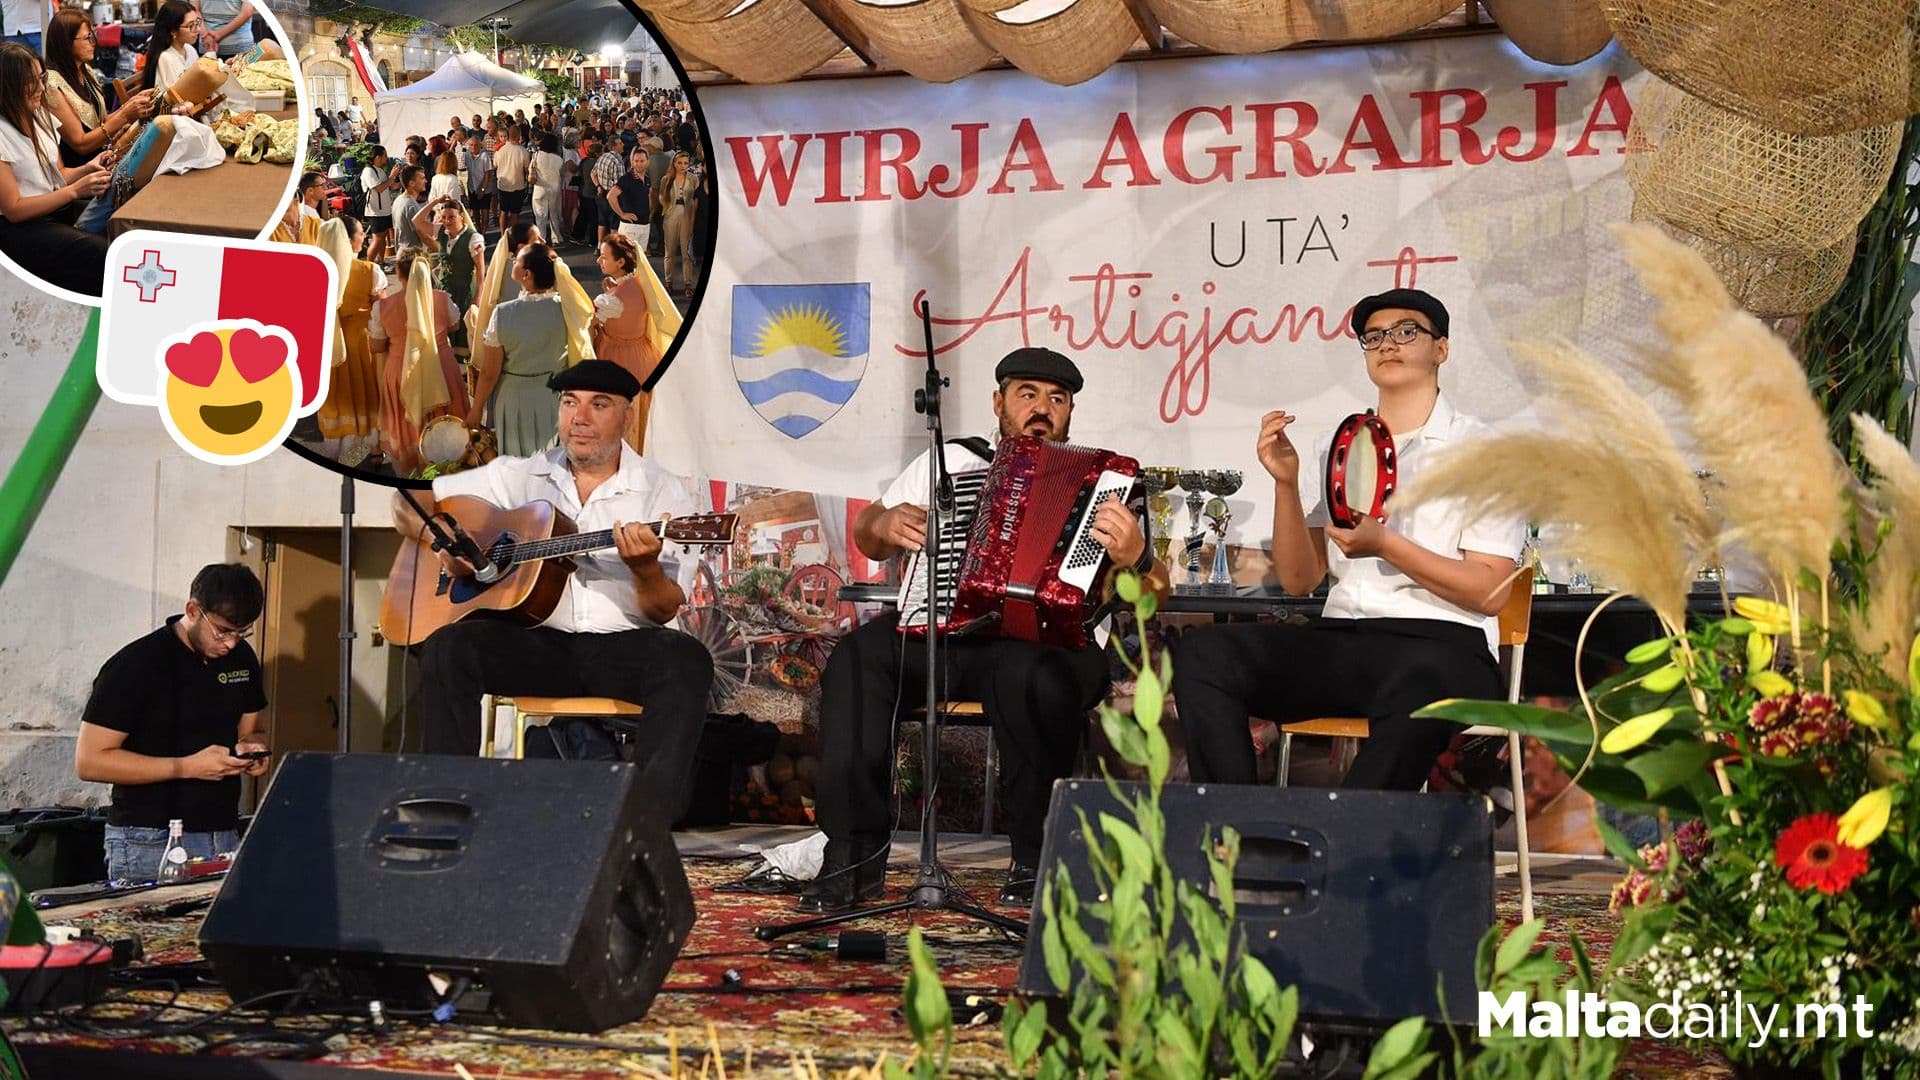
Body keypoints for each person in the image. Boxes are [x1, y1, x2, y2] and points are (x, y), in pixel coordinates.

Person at [800, 348, 1166, 913]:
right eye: (1027, 395)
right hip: (945, 632)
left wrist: (1138, 557)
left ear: (1070, 412)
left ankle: (1034, 858)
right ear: (999, 403)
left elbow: (1154, 592)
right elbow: (870, 533)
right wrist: (885, 521)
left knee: (1029, 673)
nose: (1042, 409)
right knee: (856, 658)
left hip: (1051, 646)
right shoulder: (950, 460)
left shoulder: (1106, 482)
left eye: (1057, 399)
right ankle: (852, 856)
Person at [1170, 289, 1524, 792]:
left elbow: (1489, 591)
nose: (1387, 344)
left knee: (1421, 685)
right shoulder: (1340, 443)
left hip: (1445, 646)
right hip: (1347, 640)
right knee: (1205, 655)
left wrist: (1386, 545)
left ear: (1441, 349)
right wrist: (1286, 483)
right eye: (1374, 336)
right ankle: (1235, 836)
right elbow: (1299, 580)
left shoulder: (1484, 450)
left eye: (1407, 332)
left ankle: (1344, 849)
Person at [390, 360, 712, 819]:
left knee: (686, 660)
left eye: (598, 405)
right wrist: (441, 540)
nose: (579, 418)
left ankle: (643, 821)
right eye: (569, 403)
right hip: (536, 646)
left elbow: (662, 610)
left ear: (628, 415)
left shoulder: (664, 493)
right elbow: (408, 500)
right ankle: (443, 809)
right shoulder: (518, 475)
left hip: (621, 650)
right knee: (449, 647)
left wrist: (644, 569)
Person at [76, 564, 270, 883]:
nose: (231, 643)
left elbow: (252, 728)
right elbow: (90, 761)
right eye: (222, 631)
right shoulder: (136, 665)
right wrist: (188, 767)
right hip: (148, 838)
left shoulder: (242, 659)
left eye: (243, 632)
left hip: (222, 834)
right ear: (193, 610)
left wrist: (254, 747)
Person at [0, 44, 111, 296]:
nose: (41, 88)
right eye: (31, 82)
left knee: (116, 222)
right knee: (100, 254)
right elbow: (14, 210)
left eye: (42, 78)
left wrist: (86, 169)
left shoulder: (40, 115)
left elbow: (56, 174)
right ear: (8, 85)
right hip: (19, 230)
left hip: (53, 211)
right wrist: (74, 191)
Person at [471, 242, 571, 457]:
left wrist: (476, 408)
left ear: (526, 275)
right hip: (554, 396)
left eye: (517, 260)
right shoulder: (569, 309)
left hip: (514, 398)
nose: (513, 262)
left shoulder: (503, 313)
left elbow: (489, 373)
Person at [371, 251, 466, 474]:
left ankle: (411, 469)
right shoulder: (442, 298)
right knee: (446, 419)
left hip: (401, 369)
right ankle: (448, 465)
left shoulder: (383, 307)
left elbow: (376, 346)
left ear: (399, 273)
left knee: (407, 424)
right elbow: (455, 326)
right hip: (440, 366)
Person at [43, 11, 158, 169]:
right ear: (65, 42)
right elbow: (81, 144)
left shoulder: (85, 71)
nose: (93, 42)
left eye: (93, 35)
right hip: (82, 171)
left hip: (103, 158)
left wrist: (132, 104)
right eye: (87, 38)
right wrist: (125, 114)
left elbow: (101, 121)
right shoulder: (52, 83)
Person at [315, 215, 384, 457]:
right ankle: (375, 449)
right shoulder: (369, 270)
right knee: (367, 390)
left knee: (337, 394)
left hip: (329, 345)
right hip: (361, 343)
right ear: (350, 240)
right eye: (360, 235)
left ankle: (334, 449)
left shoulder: (318, 273)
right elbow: (381, 310)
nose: (363, 238)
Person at [590, 232, 661, 450]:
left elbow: (588, 321)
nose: (599, 260)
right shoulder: (640, 284)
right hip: (643, 357)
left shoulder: (609, 300)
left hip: (618, 361)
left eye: (604, 257)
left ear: (620, 262)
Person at [418, 196, 482, 354]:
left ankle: (462, 372)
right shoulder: (442, 232)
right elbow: (417, 221)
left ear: (461, 216)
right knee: (443, 332)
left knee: (461, 333)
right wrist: (434, 202)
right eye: (444, 217)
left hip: (463, 291)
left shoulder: (473, 238)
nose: (447, 221)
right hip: (443, 290)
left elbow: (481, 270)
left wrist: (478, 298)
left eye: (452, 217)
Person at [657, 150, 699, 300]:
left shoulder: (693, 178)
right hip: (670, 215)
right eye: (679, 163)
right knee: (669, 251)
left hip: (687, 216)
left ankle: (688, 284)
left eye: (686, 163)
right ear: (674, 163)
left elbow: (696, 201)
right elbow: (661, 197)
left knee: (686, 252)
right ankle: (669, 282)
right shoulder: (666, 179)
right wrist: (666, 208)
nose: (682, 166)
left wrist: (693, 219)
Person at [141, 0, 202, 95]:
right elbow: (172, 99)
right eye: (191, 25)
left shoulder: (189, 49)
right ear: (173, 31)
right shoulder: (166, 58)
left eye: (197, 23)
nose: (198, 29)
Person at [359, 145, 396, 265]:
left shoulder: (380, 171)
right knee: (377, 239)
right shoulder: (368, 171)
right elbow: (379, 188)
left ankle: (381, 261)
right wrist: (392, 176)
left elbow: (389, 186)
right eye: (385, 155)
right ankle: (369, 265)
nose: (387, 158)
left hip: (385, 210)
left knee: (383, 237)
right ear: (378, 157)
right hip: (375, 211)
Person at [607, 146, 649, 252]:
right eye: (636, 161)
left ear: (647, 162)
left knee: (641, 260)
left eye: (642, 161)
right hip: (630, 227)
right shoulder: (626, 179)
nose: (639, 163)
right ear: (632, 162)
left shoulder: (648, 179)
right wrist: (622, 214)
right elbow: (610, 196)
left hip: (645, 225)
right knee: (628, 260)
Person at [492, 123, 529, 234]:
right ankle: (512, 235)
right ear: (519, 135)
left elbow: (495, 166)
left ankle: (503, 234)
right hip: (517, 185)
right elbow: (526, 169)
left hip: (503, 184)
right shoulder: (523, 151)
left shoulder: (500, 150)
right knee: (514, 213)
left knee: (503, 211)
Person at [530, 131, 564, 248]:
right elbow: (561, 173)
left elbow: (531, 170)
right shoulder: (558, 159)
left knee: (540, 216)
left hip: (540, 188)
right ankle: (556, 238)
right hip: (554, 189)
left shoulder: (537, 155)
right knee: (554, 214)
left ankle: (541, 239)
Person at [390, 163, 428, 257]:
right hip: (412, 256)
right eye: (422, 178)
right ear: (412, 183)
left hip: (402, 253)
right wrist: (441, 252)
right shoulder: (411, 206)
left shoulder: (398, 200)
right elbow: (424, 236)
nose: (426, 181)